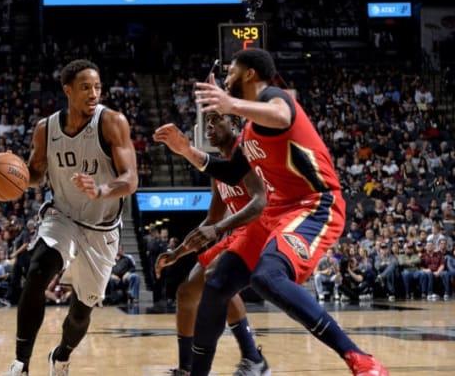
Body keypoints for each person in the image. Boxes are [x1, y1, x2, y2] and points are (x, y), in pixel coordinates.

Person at [190, 48, 389, 375]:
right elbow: (230, 173)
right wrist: (188, 151)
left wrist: (231, 104)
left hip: (316, 203)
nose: (226, 80)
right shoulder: (250, 131)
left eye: (230, 72)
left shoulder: (275, 97)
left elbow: (281, 116)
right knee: (216, 283)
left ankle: (359, 358)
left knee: (267, 277)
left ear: (250, 74)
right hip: (275, 211)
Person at [0, 59, 138, 376]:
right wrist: (10, 172)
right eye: (85, 87)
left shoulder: (112, 122)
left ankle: (61, 355)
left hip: (101, 229)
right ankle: (21, 364)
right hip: (62, 216)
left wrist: (101, 190)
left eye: (98, 87)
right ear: (67, 90)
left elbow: (130, 180)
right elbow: (34, 175)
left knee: (80, 312)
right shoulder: (45, 129)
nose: (93, 93)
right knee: (37, 271)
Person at [153, 112, 269, 376]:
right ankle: (185, 368)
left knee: (216, 275)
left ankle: (253, 358)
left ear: (235, 125)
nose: (210, 126)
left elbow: (260, 203)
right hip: (235, 235)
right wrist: (178, 252)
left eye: (217, 120)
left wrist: (217, 229)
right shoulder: (219, 171)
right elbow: (213, 219)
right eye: (207, 122)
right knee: (186, 293)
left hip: (263, 232)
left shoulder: (246, 153)